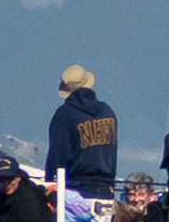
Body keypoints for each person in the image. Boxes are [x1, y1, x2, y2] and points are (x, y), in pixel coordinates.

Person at [46, 65, 120, 196]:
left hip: (75, 190)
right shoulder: (107, 111)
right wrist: (111, 184)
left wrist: (51, 182)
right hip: (105, 190)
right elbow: (112, 152)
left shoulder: (64, 114)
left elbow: (57, 154)